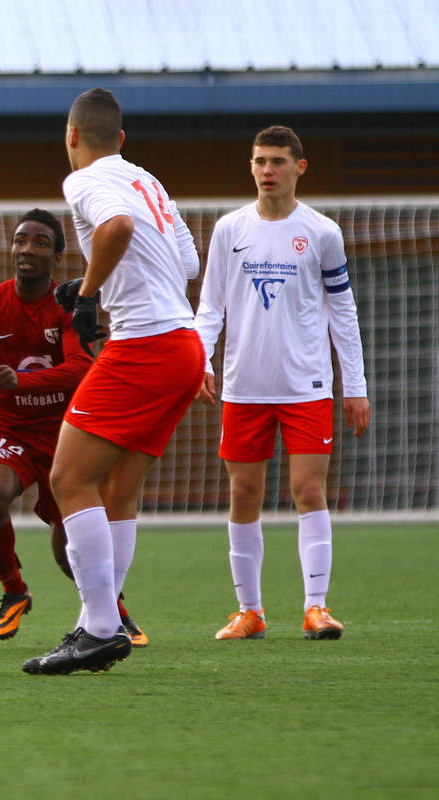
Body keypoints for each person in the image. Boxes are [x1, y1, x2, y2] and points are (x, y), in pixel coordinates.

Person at [22, 88, 203, 676]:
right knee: (119, 491)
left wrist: (91, 292)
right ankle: (98, 623)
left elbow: (118, 227)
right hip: (183, 345)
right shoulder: (146, 178)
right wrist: (115, 285)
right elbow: (189, 261)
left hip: (145, 344)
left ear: (71, 136)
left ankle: (100, 628)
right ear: (120, 139)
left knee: (69, 478)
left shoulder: (82, 182)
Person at [0, 209, 147, 647]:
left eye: (40, 243)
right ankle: (14, 591)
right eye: (21, 240)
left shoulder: (69, 306)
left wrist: (22, 380)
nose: (27, 250)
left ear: (57, 256)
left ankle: (114, 610)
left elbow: (81, 369)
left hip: (66, 437)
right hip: (10, 430)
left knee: (66, 551)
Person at [194, 125, 371, 642]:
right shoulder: (229, 230)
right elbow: (211, 308)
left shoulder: (322, 233)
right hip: (244, 386)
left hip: (306, 387)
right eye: (259, 161)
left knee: (308, 490)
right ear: (250, 167)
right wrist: (198, 359)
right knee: (243, 494)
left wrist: (353, 385)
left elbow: (343, 310)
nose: (267, 170)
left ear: (300, 167)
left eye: (277, 161)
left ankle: (316, 608)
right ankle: (249, 612)